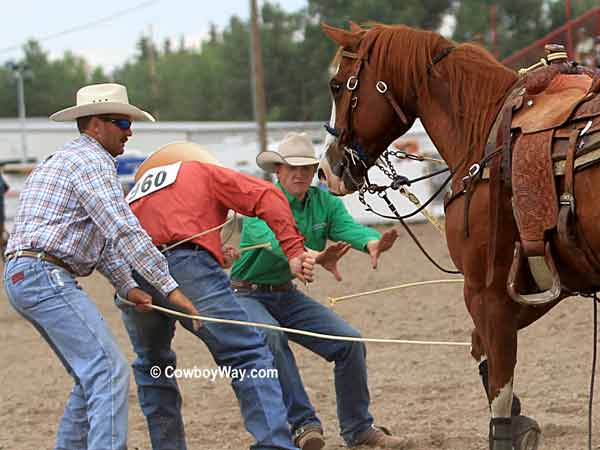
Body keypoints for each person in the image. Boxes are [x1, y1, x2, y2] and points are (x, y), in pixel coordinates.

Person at [3, 83, 199, 450]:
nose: (130, 130)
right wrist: (169, 288)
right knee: (108, 370)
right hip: (44, 274)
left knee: (90, 375)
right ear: (95, 125)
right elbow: (122, 229)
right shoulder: (92, 163)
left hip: (28, 274)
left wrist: (128, 286)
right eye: (121, 121)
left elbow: (101, 238)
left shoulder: (68, 160)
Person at [117, 141, 317, 450]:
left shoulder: (137, 191)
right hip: (184, 266)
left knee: (152, 364)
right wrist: (293, 249)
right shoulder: (200, 171)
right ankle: (275, 445)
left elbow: (160, 227)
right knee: (248, 354)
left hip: (131, 274)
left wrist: (211, 252)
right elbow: (267, 195)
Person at [230, 132, 411, 450]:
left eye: (307, 168)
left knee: (349, 343)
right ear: (278, 171)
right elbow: (279, 246)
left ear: (315, 172)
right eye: (292, 168)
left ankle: (358, 428)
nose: (300, 174)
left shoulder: (324, 202)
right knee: (271, 336)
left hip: (285, 293)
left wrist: (371, 242)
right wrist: (315, 257)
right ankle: (303, 424)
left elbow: (347, 228)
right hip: (246, 294)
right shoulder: (258, 203)